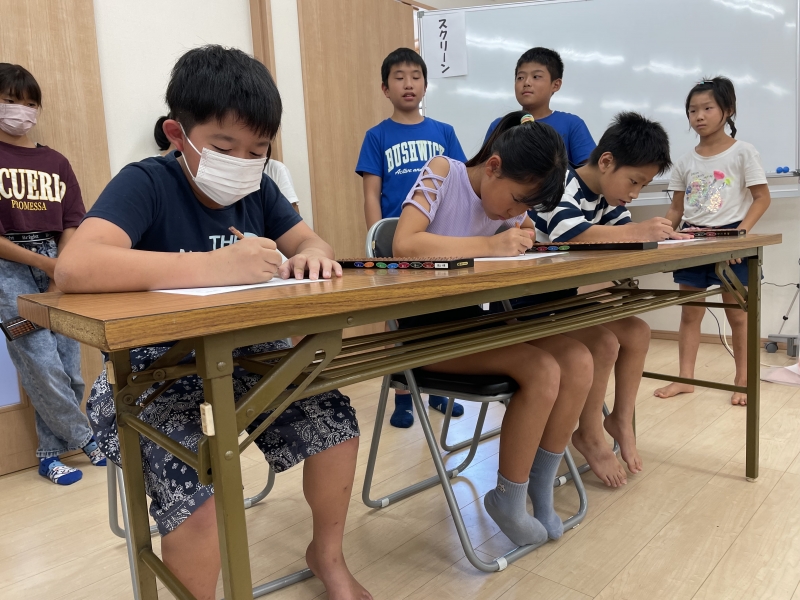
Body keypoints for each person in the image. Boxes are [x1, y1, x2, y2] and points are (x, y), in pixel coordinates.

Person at [56, 46, 370, 600]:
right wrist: (215, 266)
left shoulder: (259, 189)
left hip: (247, 357)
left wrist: (312, 257)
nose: (242, 162)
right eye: (224, 148)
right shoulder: (147, 182)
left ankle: (327, 555)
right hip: (153, 372)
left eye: (258, 150)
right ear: (177, 134)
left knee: (335, 428)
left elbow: (311, 241)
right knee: (198, 498)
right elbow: (75, 266)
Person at [392, 111, 591, 547]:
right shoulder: (444, 173)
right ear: (494, 167)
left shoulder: (504, 205)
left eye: (526, 207)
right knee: (542, 369)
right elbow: (403, 243)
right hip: (423, 335)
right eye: (517, 200)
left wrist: (522, 232)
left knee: (578, 359)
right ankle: (507, 497)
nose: (516, 212)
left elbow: (517, 234)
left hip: (474, 324)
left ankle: (538, 485)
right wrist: (489, 245)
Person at [534, 112, 688, 487]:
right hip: (536, 305)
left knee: (638, 331)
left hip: (566, 300)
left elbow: (624, 232)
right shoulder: (561, 183)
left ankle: (620, 419)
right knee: (604, 342)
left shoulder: (606, 197)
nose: (635, 193)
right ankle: (588, 433)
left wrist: (663, 236)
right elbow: (569, 233)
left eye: (643, 185)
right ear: (606, 161)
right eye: (634, 181)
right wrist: (638, 231)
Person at [0, 63, 106, 485]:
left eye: (30, 103)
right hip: (9, 272)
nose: (21, 110)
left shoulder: (55, 161)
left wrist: (61, 268)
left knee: (69, 367)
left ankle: (49, 455)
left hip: (59, 263)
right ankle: (86, 437)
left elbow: (73, 222)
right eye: (10, 101)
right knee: (40, 365)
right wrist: (49, 266)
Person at [356, 47, 468, 428]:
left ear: (425, 84)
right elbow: (371, 194)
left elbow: (461, 182)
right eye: (399, 77)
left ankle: (440, 389)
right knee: (400, 322)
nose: (408, 83)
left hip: (439, 241)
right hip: (397, 244)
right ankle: (403, 395)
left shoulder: (444, 132)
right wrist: (377, 244)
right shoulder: (376, 136)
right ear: (385, 88)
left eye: (416, 76)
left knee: (442, 317)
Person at [655, 76, 771, 406]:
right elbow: (676, 208)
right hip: (692, 238)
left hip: (732, 240)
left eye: (707, 108)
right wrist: (664, 233)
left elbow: (762, 198)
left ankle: (742, 380)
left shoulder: (743, 152)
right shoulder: (685, 160)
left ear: (728, 110)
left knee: (738, 315)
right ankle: (685, 379)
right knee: (690, 314)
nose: (699, 116)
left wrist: (739, 238)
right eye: (693, 110)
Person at [483, 47, 595, 165]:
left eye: (536, 77)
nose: (526, 83)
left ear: (555, 85)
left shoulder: (571, 124)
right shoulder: (500, 125)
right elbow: (484, 169)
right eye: (520, 78)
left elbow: (591, 170)